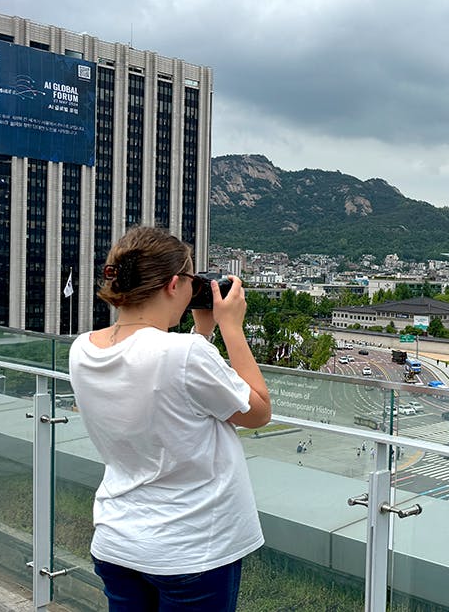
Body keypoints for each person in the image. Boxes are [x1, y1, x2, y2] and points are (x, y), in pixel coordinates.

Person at [68, 226, 271, 612]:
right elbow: (259, 411)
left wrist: (202, 332)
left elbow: (169, 390)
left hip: (118, 539)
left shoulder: (83, 348)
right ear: (175, 284)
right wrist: (231, 328)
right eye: (193, 280)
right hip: (191, 547)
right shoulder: (184, 353)